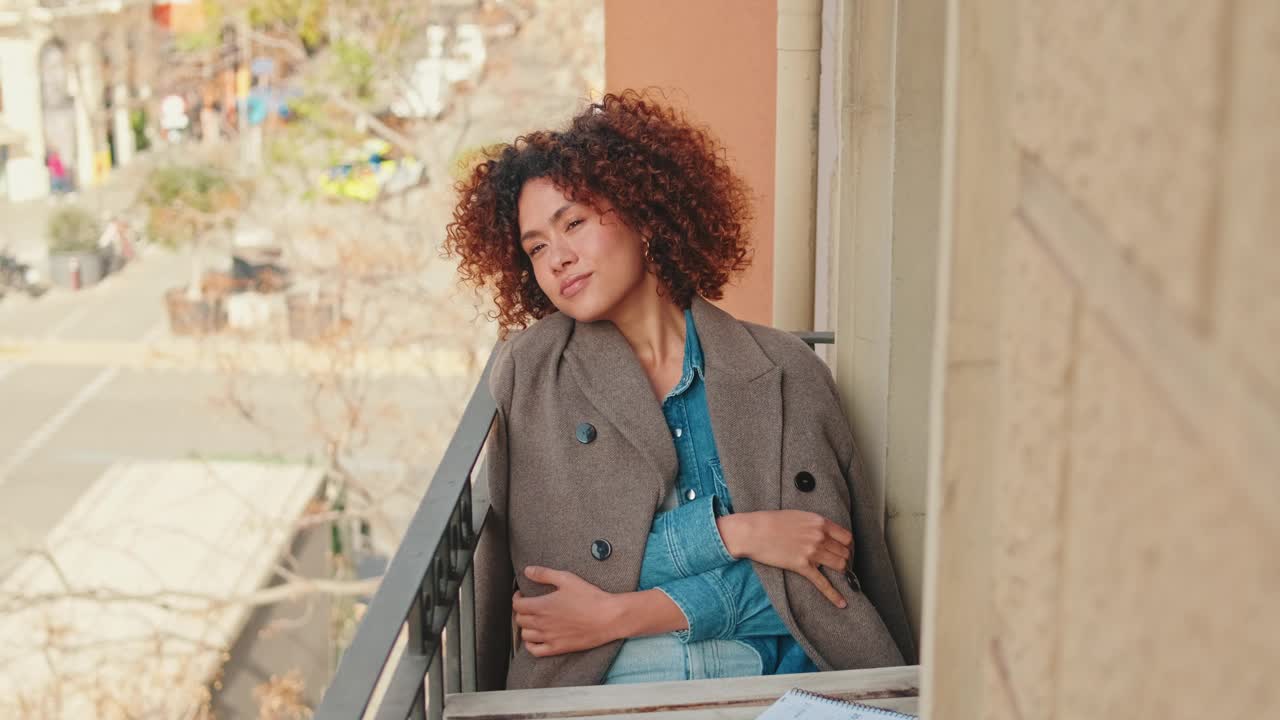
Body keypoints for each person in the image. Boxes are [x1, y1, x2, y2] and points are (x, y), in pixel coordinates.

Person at [444, 90, 915, 691]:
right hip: (617, 691)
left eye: (575, 223)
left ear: (643, 216)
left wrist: (622, 611)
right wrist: (741, 535)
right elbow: (554, 579)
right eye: (536, 247)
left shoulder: (782, 368)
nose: (557, 258)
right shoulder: (533, 371)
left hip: (780, 683)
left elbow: (820, 576)